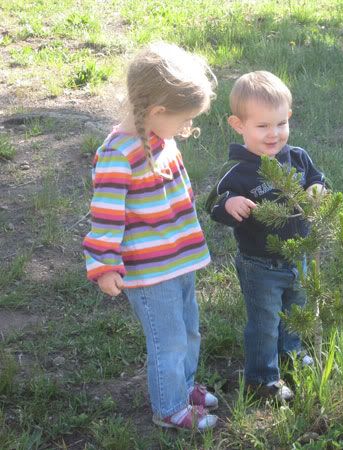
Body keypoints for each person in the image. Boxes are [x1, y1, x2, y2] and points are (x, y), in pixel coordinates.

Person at [83, 42, 219, 431]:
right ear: (157, 111)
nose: (187, 127)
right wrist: (105, 265)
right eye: (184, 119)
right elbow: (105, 216)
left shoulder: (162, 138)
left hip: (178, 260)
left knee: (189, 329)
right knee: (169, 339)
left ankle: (185, 386)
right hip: (149, 269)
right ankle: (170, 407)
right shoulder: (119, 154)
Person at [206, 71, 326, 401]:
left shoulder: (297, 157)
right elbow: (212, 202)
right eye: (262, 127)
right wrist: (229, 203)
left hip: (298, 254)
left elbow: (318, 178)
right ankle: (263, 378)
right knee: (264, 322)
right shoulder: (238, 172)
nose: (273, 135)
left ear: (289, 116)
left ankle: (290, 352)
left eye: (280, 124)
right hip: (260, 265)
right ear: (238, 125)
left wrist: (316, 189)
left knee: (295, 311)